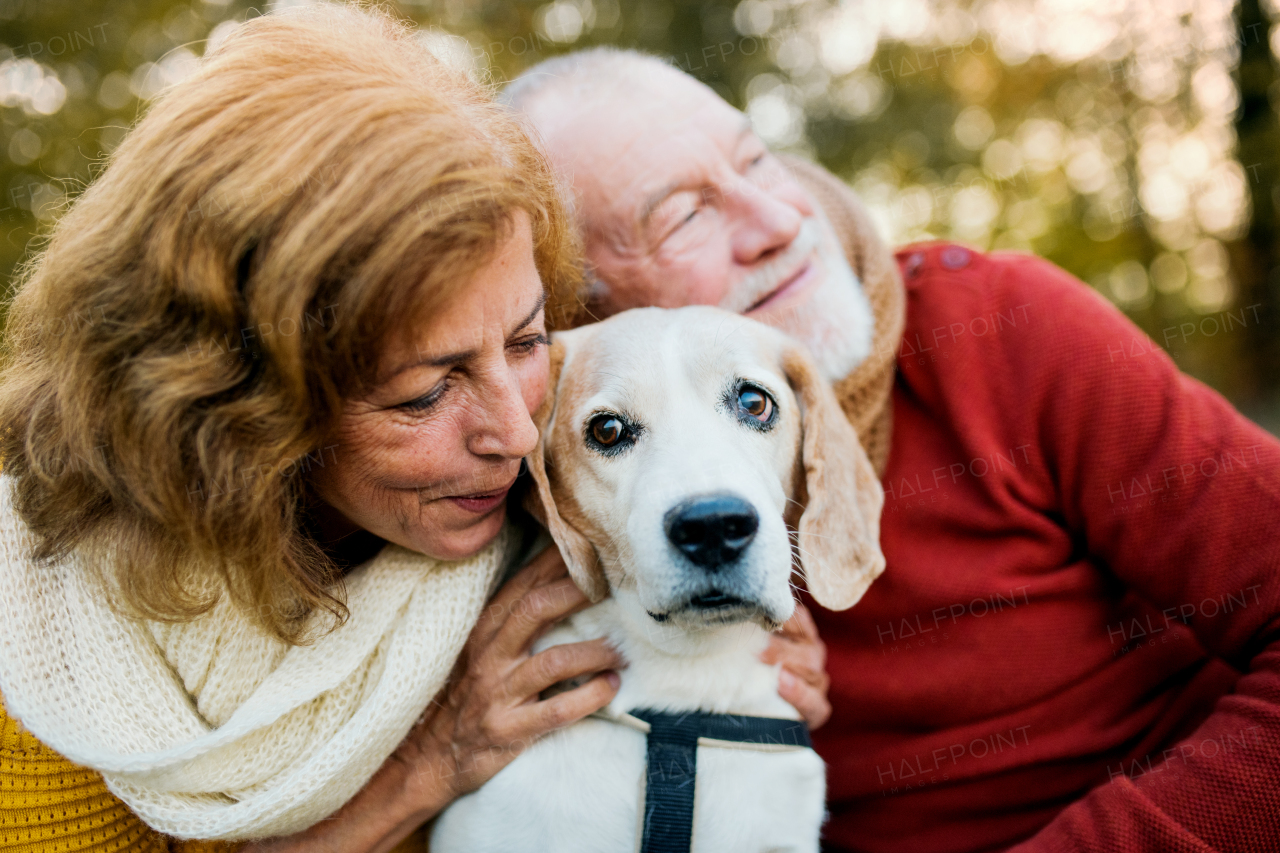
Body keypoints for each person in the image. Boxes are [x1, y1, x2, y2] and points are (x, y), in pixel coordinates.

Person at [506, 48, 1280, 852]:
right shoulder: (538, 488)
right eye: (684, 216)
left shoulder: (1007, 325)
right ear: (586, 314)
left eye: (755, 160)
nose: (780, 222)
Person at [0, 8, 628, 852]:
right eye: (419, 395)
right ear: (234, 412)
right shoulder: (41, 633)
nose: (515, 434)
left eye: (525, 340)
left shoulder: (548, 492)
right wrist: (427, 761)